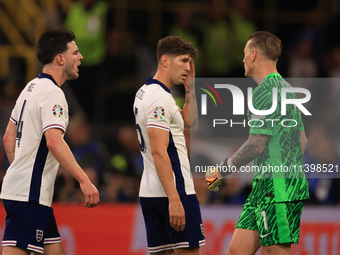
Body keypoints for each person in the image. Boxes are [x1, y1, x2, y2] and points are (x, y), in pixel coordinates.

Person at [206, 31, 309, 255]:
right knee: (236, 251)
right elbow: (302, 141)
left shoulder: (265, 92)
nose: (242, 59)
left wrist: (221, 171)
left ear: (253, 55)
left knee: (274, 252)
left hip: (277, 190)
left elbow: (256, 145)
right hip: (266, 188)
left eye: (244, 53)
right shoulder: (287, 89)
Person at [1, 29, 99, 255]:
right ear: (60, 58)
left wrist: (19, 170)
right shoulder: (53, 94)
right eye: (75, 52)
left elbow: (8, 137)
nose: (81, 57)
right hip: (29, 196)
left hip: (30, 193)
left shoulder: (30, 88)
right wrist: (84, 180)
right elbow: (54, 142)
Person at [133, 36, 205, 254]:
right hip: (175, 192)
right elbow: (158, 151)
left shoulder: (147, 92)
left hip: (151, 192)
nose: (188, 67)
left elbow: (189, 125)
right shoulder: (159, 99)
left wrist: (190, 88)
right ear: (165, 61)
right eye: (183, 60)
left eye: (190, 62)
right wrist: (174, 199)